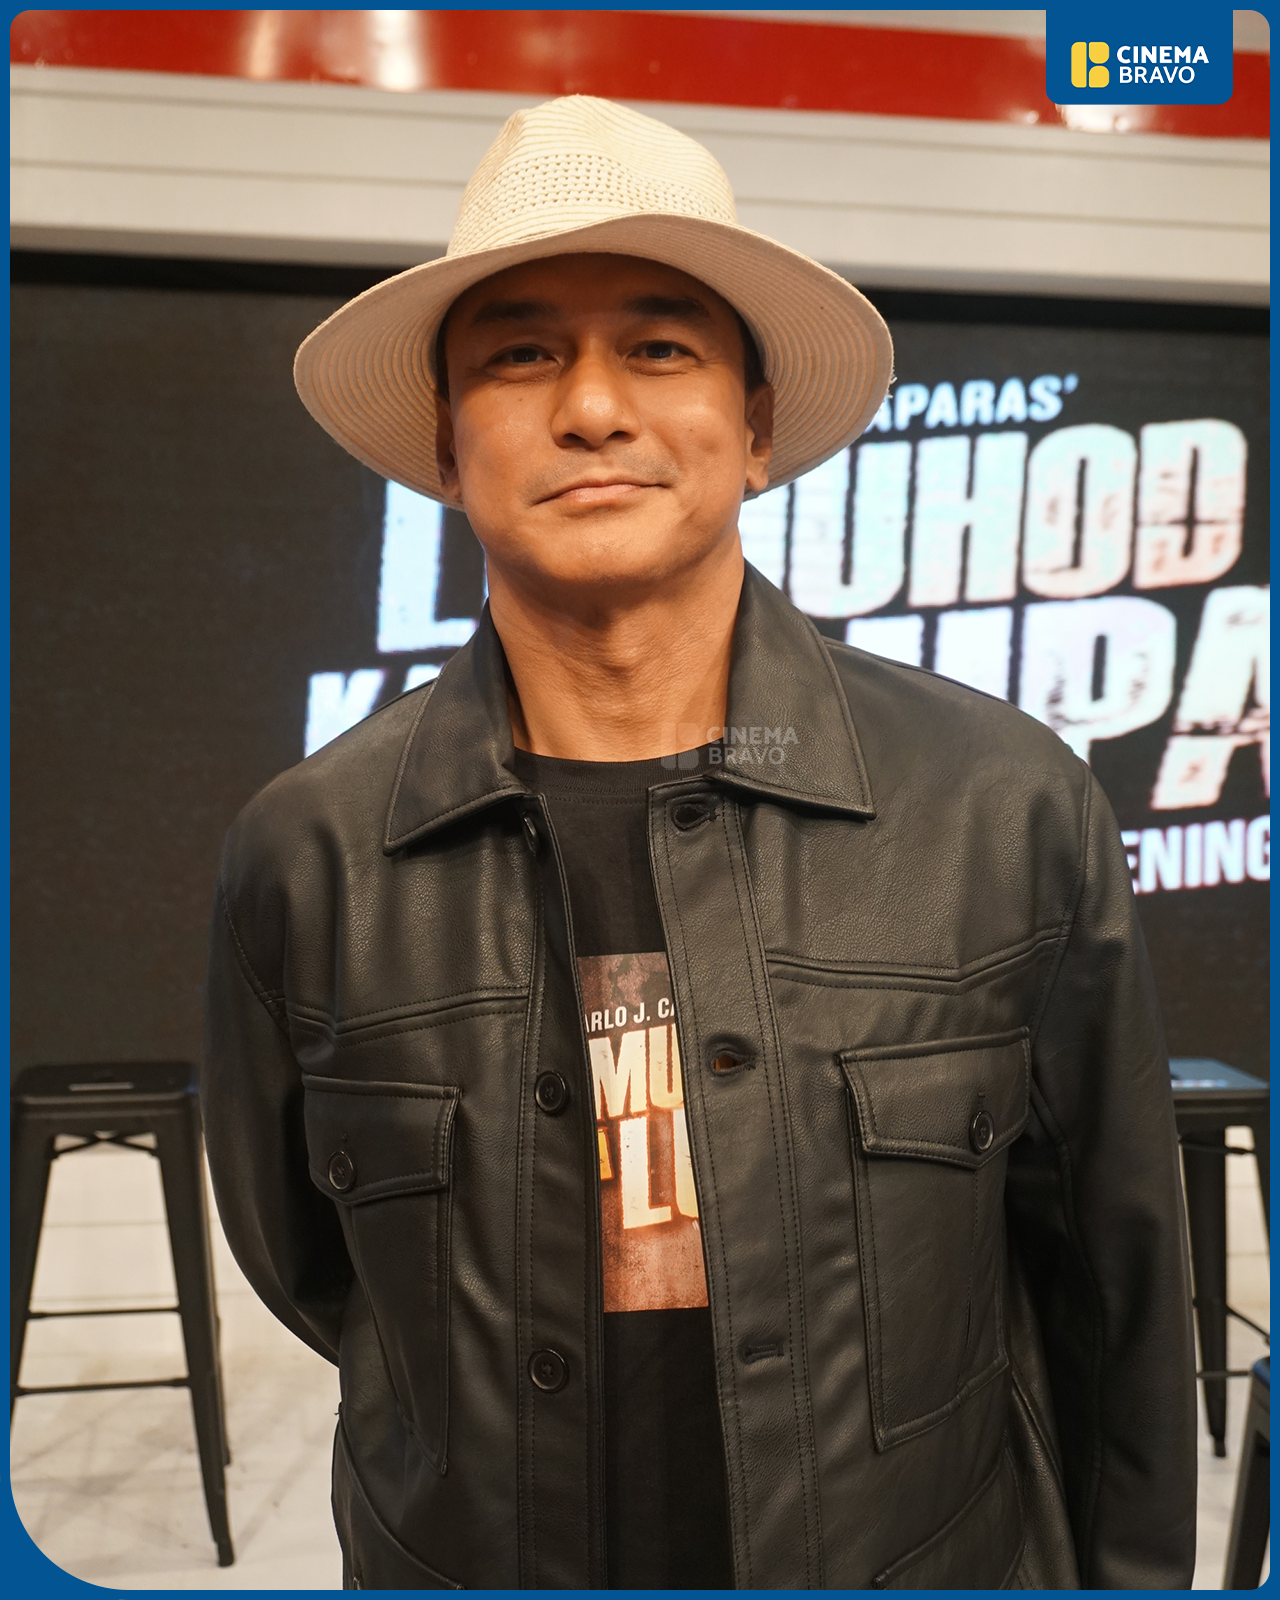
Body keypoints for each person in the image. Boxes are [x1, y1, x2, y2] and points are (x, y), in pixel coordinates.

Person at [202, 95, 1197, 1590]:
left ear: (758, 426)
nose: (593, 409)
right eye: (519, 355)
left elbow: (1114, 1295)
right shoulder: (310, 852)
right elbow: (311, 1270)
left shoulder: (1004, 808)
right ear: (445, 444)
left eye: (660, 348)